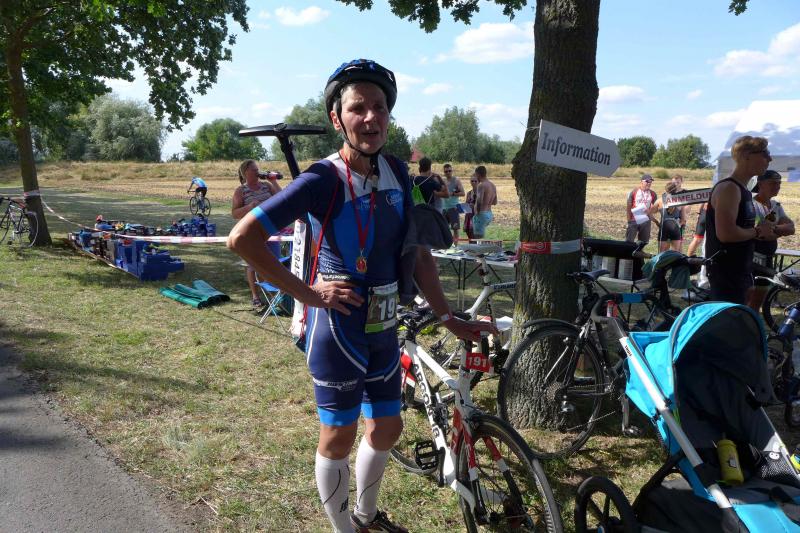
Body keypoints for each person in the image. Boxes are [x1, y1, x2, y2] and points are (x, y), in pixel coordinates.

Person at [227, 59, 493, 533]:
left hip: (383, 325)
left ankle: (365, 518)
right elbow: (242, 238)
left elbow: (418, 253)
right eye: (357, 108)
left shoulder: (397, 172)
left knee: (387, 428)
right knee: (338, 434)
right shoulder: (322, 178)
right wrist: (309, 294)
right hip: (338, 326)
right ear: (337, 118)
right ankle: (344, 530)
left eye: (380, 107)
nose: (370, 117)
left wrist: (447, 316)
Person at [706, 135, 777, 304]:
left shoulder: (742, 190)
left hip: (740, 270)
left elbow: (741, 228)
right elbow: (726, 234)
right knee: (731, 319)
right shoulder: (729, 188)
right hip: (726, 273)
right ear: (746, 156)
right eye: (765, 153)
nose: (770, 159)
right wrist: (758, 231)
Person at [231, 159, 282, 308]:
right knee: (252, 264)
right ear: (245, 173)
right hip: (251, 232)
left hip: (271, 229)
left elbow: (283, 198)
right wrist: (250, 207)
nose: (257, 171)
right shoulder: (240, 191)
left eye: (257, 169)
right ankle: (255, 296)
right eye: (253, 169)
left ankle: (274, 295)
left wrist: (274, 181)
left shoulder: (267, 186)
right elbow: (234, 214)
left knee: (274, 262)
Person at [746, 170, 795, 310]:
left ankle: (753, 321)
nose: (777, 187)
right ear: (760, 184)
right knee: (747, 299)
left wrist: (774, 229)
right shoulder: (751, 204)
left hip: (767, 258)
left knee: (758, 300)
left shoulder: (775, 205)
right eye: (773, 183)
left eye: (779, 183)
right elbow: (760, 233)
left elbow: (791, 228)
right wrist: (778, 230)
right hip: (751, 258)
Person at [650, 181, 686, 252]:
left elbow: (649, 214)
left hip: (664, 227)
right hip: (675, 227)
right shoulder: (680, 201)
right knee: (675, 253)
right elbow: (683, 220)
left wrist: (656, 222)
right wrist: (678, 225)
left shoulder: (659, 200)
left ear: (665, 189)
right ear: (676, 190)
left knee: (661, 253)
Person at [625, 174, 656, 243]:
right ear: (641, 182)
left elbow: (654, 208)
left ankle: (639, 250)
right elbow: (628, 207)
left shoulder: (653, 194)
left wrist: (650, 211)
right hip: (633, 219)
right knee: (629, 241)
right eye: (647, 181)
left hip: (646, 220)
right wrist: (629, 221)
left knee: (643, 242)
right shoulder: (633, 191)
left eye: (650, 182)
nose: (649, 183)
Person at [441, 163, 464, 242]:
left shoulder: (456, 180)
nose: (448, 173)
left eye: (449, 171)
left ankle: (456, 246)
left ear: (452, 171)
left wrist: (452, 194)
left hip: (453, 208)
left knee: (455, 229)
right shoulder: (442, 181)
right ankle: (446, 245)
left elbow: (463, 193)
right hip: (444, 208)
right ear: (444, 172)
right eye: (446, 171)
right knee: (443, 229)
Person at [472, 165, 497, 239]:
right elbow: (495, 202)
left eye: (476, 175)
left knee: (477, 238)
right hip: (489, 214)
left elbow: (479, 200)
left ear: (478, 174)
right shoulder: (493, 185)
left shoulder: (481, 185)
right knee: (480, 238)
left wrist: (477, 212)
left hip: (481, 214)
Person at [463, 176, 478, 241]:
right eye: (472, 181)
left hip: (477, 218)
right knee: (469, 236)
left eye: (475, 181)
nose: (473, 182)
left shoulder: (481, 193)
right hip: (469, 217)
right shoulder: (469, 193)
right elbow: (466, 208)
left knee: (475, 238)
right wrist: (465, 222)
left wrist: (473, 206)